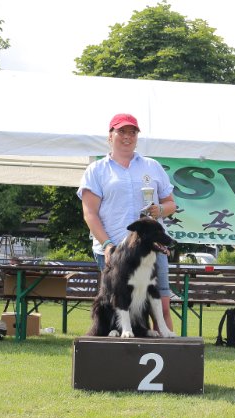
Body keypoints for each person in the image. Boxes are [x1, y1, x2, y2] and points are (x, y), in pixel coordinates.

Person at [77, 113, 177, 332]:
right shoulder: (96, 170)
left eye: (133, 132)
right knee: (117, 303)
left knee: (161, 306)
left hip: (151, 248)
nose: (127, 136)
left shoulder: (152, 166)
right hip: (115, 250)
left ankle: (166, 347)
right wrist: (107, 245)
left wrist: (159, 209)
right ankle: (118, 348)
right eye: (121, 131)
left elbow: (171, 204)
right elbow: (90, 214)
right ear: (110, 136)